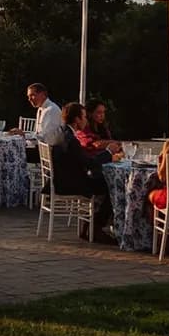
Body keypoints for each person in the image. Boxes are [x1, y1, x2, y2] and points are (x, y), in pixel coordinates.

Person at [55, 102, 114, 242]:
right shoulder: (71, 140)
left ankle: (87, 228)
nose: (86, 120)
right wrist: (108, 152)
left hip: (64, 179)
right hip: (71, 183)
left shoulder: (63, 133)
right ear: (77, 119)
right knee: (112, 187)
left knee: (103, 183)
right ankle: (97, 229)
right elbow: (89, 163)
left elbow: (84, 160)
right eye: (84, 117)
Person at [15, 82, 65, 146]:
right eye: (28, 96)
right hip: (41, 147)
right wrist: (23, 135)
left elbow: (48, 138)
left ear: (43, 94)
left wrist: (24, 135)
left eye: (32, 95)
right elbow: (39, 135)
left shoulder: (51, 110)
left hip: (50, 151)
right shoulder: (41, 109)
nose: (29, 99)